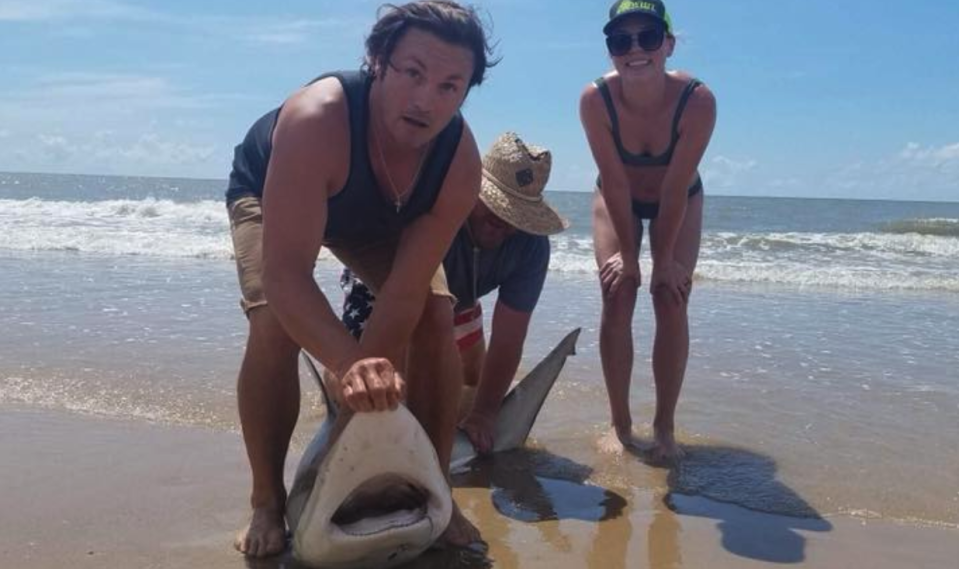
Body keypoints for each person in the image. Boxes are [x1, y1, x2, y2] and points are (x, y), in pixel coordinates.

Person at [224, 1, 496, 557]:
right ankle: (266, 501)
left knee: (434, 312)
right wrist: (350, 365)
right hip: (272, 188)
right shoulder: (316, 118)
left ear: (467, 92)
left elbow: (403, 294)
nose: (427, 100)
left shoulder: (459, 163)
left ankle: (434, 483)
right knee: (275, 322)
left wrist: (359, 401)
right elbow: (285, 274)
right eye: (413, 73)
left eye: (450, 86)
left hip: (383, 214)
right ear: (378, 61)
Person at [339, 132, 569, 454]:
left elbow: (508, 339)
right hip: (386, 285)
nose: (501, 224)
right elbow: (407, 307)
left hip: (461, 295)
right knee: (380, 386)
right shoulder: (434, 208)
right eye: (494, 208)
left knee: (472, 382)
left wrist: (485, 414)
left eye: (513, 217)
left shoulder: (530, 247)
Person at [579, 0, 716, 461]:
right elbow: (615, 182)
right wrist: (633, 261)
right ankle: (620, 427)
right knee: (619, 289)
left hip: (679, 199)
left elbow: (676, 187)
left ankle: (664, 428)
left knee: (670, 296)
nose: (634, 49)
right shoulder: (595, 99)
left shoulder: (697, 100)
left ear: (669, 44)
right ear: (611, 50)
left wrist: (664, 264)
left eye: (648, 37)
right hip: (616, 197)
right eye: (621, 40)